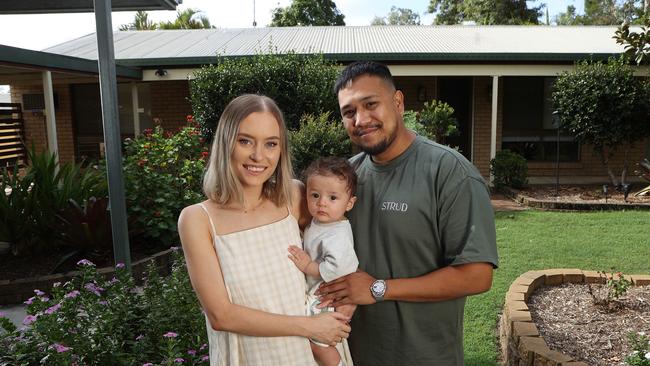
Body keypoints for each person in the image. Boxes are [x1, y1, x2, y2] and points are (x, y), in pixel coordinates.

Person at [317, 61, 499, 366]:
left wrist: (378, 288)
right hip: (353, 355)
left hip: (424, 356)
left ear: (398, 103)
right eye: (349, 112)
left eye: (371, 104)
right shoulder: (347, 178)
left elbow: (477, 276)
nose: (360, 119)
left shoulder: (449, 172)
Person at [178, 94, 351, 366]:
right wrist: (309, 326)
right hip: (251, 357)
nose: (258, 156)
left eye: (271, 144)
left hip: (312, 354)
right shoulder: (198, 220)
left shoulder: (293, 197)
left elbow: (338, 244)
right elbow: (221, 316)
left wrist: (348, 297)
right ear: (225, 143)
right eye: (245, 141)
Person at [287, 157, 359, 366]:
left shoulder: (337, 235)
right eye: (315, 195)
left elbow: (339, 267)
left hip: (328, 295)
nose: (322, 203)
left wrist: (308, 266)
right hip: (320, 290)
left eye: (332, 198)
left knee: (319, 344)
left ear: (350, 203)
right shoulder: (322, 222)